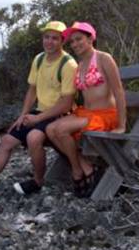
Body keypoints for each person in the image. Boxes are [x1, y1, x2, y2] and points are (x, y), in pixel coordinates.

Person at [0, 21, 78, 196]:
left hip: (60, 114)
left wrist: (37, 119)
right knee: (7, 140)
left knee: (33, 137)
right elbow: (32, 90)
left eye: (55, 38)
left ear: (63, 41)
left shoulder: (68, 64)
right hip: (40, 112)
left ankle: (38, 181)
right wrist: (23, 115)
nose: (49, 41)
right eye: (46, 37)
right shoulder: (39, 59)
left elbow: (66, 103)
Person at [45, 21, 127, 197]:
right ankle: (85, 167)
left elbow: (119, 91)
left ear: (90, 39)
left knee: (61, 129)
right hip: (86, 113)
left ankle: (79, 172)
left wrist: (122, 125)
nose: (74, 44)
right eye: (72, 41)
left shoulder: (104, 58)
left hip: (105, 115)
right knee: (50, 129)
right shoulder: (80, 64)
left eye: (79, 39)